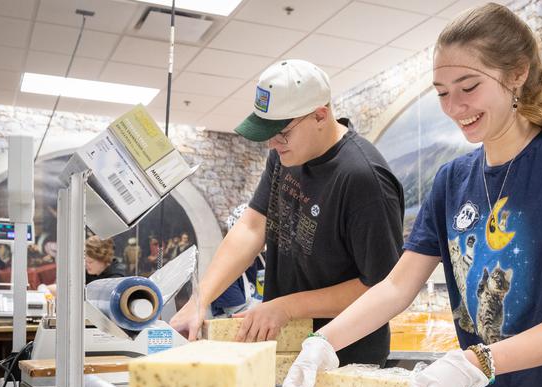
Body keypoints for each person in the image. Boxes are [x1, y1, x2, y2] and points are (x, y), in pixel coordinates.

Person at [283, 3, 542, 387]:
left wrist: (473, 362)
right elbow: (398, 286)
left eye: (468, 87)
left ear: (517, 74)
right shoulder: (453, 180)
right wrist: (323, 343)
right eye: (441, 92)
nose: (455, 107)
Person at [170, 59, 404, 366]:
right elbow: (252, 227)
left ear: (320, 115)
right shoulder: (284, 156)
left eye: (281, 133)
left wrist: (287, 307)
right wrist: (200, 300)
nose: (272, 143)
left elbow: (383, 289)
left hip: (342, 356)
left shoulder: (364, 179)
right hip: (285, 346)